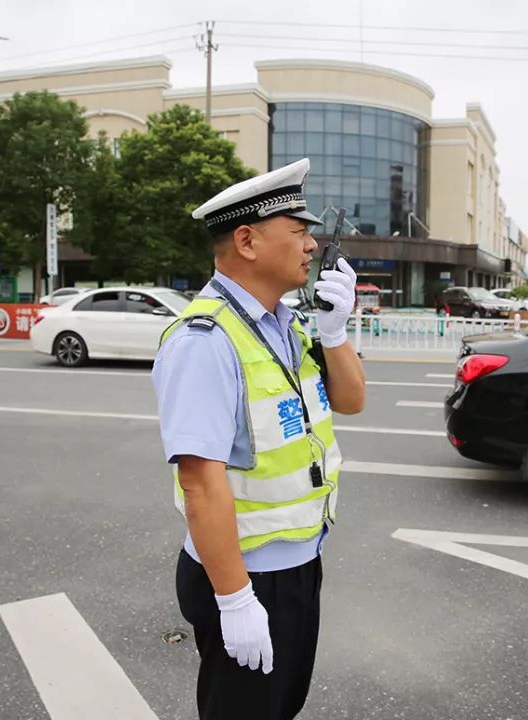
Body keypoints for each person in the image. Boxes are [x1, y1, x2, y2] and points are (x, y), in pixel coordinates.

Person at [152, 157, 366, 720]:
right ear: (247, 241)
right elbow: (200, 483)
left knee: (278, 708)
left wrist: (335, 330)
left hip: (296, 562)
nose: (312, 246)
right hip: (247, 574)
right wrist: (235, 598)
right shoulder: (206, 340)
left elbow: (350, 400)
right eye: (299, 231)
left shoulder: (286, 325)